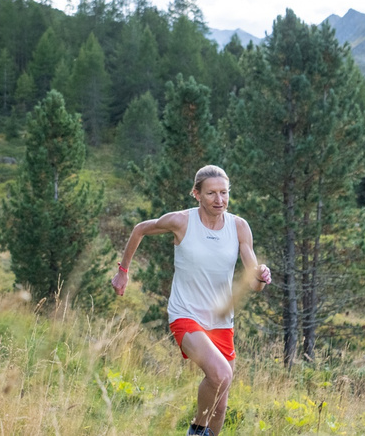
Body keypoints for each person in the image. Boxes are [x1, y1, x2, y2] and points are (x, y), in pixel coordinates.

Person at [111, 165, 271, 436]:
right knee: (220, 374)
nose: (219, 200)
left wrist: (262, 276)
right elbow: (139, 229)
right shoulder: (181, 221)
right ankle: (196, 431)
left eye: (224, 193)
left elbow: (254, 283)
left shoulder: (239, 227)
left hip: (221, 321)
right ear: (196, 194)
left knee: (220, 406)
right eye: (211, 193)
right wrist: (123, 272)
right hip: (186, 314)